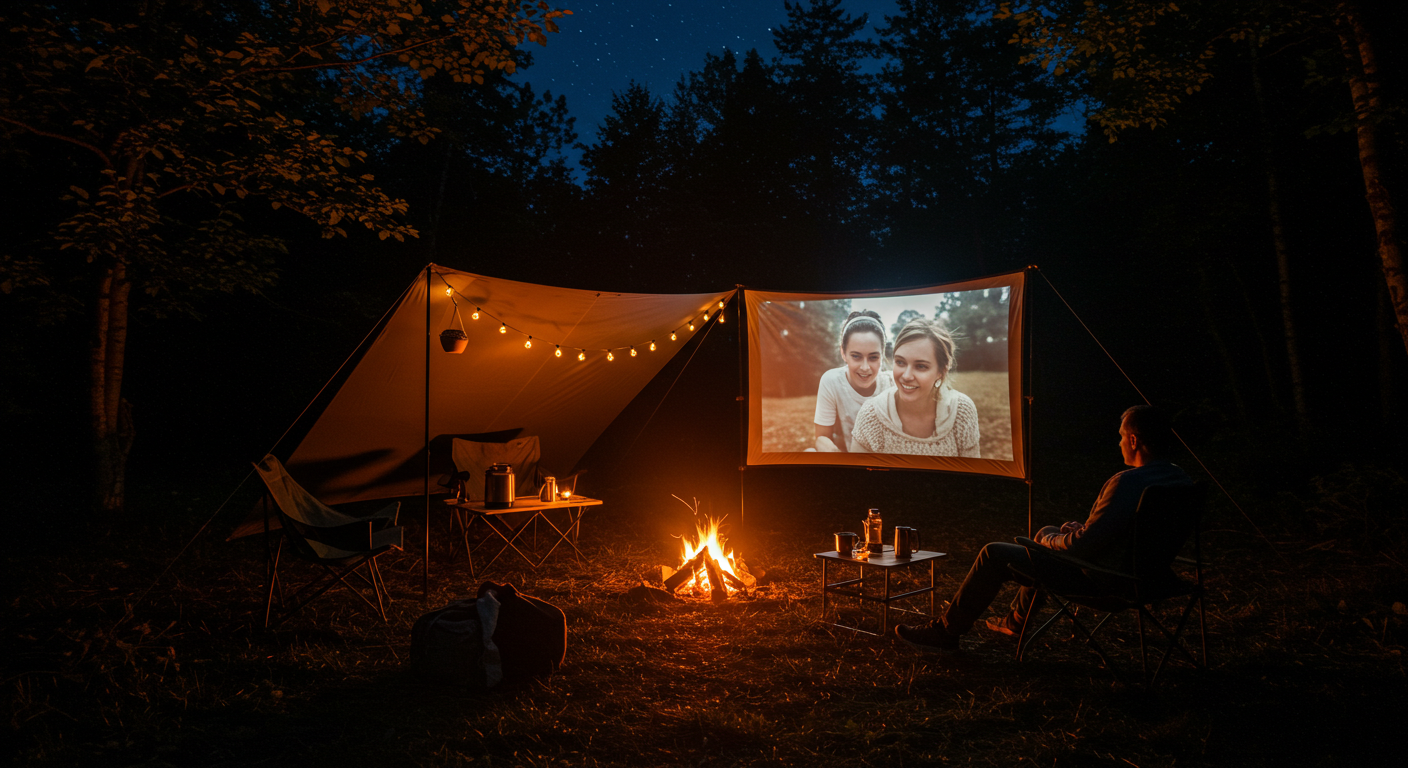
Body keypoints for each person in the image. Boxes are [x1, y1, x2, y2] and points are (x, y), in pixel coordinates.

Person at [895, 405, 1193, 652]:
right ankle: (1015, 622)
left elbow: (1081, 547)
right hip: (1152, 578)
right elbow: (1131, 534)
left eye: (1120, 437)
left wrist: (1051, 539)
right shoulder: (1180, 481)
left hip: (1106, 582)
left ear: (1133, 440)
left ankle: (946, 632)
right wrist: (1072, 532)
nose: (1118, 444)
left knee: (994, 553)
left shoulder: (1128, 482)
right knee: (1051, 533)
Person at [850, 317, 980, 457]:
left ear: (941, 371)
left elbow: (972, 477)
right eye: (900, 362)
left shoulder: (961, 412)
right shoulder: (871, 416)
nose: (906, 376)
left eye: (920, 366)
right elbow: (857, 477)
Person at [808, 310, 895, 453]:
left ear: (882, 354)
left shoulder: (893, 383)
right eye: (856, 356)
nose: (865, 368)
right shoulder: (831, 381)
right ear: (843, 353)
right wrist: (832, 451)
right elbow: (821, 438)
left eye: (873, 357)